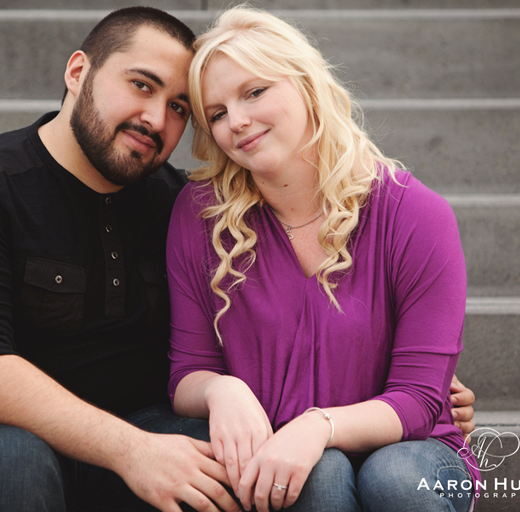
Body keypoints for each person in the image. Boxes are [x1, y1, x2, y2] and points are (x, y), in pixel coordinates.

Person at [0, 6, 476, 512]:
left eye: (182, 107)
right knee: (12, 461)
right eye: (141, 85)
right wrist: (142, 442)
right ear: (78, 71)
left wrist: (398, 374)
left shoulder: (177, 201)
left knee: (248, 468)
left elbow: (381, 366)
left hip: (137, 437)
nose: (157, 119)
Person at [167, 6, 479, 512]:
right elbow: (188, 372)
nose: (238, 121)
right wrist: (220, 391)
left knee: (394, 479)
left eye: (254, 92)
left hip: (412, 450)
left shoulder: (415, 213)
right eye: (218, 114)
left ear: (307, 85)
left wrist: (318, 425)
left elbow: (421, 400)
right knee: (317, 476)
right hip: (279, 454)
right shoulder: (202, 215)